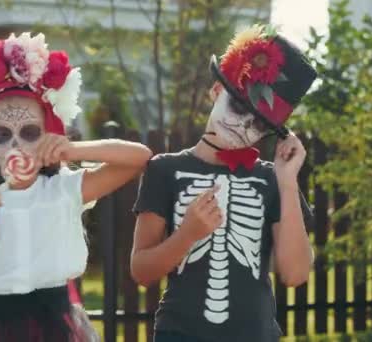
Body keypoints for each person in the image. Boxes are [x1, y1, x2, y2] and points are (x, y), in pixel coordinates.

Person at [0, 32, 152, 342]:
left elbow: (139, 158)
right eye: (2, 134)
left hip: (56, 327)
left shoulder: (64, 189)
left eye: (29, 132)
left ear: (46, 131)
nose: (16, 145)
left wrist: (74, 150)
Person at [130, 24, 317, 342]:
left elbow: (296, 274)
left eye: (259, 124)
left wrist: (287, 183)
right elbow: (141, 272)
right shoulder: (164, 170)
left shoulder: (272, 179)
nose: (242, 125)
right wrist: (187, 234)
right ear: (216, 91)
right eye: (239, 106)